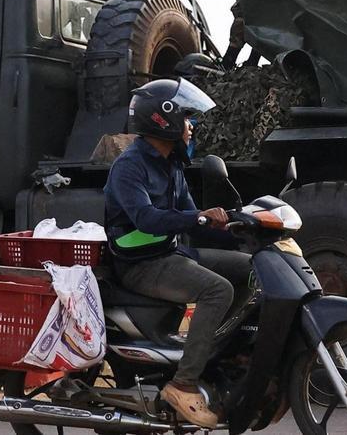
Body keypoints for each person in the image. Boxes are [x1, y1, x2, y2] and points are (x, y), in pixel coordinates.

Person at [103, 79, 251, 428]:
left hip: (171, 254)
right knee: (218, 290)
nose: (190, 127)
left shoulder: (172, 165)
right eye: (186, 119)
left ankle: (218, 355)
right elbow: (147, 219)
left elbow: (191, 220)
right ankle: (183, 384)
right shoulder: (130, 166)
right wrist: (198, 217)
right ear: (162, 120)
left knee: (250, 268)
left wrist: (238, 225)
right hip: (141, 265)